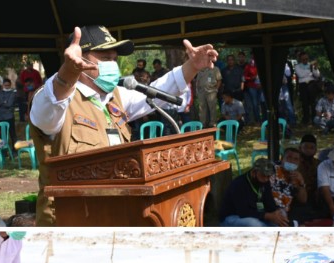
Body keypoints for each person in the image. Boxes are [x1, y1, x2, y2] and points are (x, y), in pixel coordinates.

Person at [30, 25, 218, 226]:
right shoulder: (51, 100)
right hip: (69, 222)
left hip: (115, 214)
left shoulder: (116, 97)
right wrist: (68, 73)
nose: (112, 64)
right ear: (80, 58)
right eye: (105, 58)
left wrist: (192, 66)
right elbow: (54, 101)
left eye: (114, 58)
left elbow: (158, 90)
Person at [219, 158, 288, 227]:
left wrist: (276, 213)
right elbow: (243, 212)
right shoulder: (239, 184)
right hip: (233, 217)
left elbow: (269, 203)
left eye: (268, 176)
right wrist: (267, 216)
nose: (266, 179)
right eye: (263, 176)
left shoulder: (265, 182)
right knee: (254, 224)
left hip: (256, 214)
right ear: (254, 172)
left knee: (282, 214)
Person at [270, 147, 307, 224]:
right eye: (289, 157)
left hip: (285, 213)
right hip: (270, 211)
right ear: (282, 159)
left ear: (299, 163)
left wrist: (301, 183)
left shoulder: (296, 175)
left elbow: (303, 200)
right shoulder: (273, 170)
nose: (292, 161)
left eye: (296, 159)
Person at [295, 52, 321, 125]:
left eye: (307, 59)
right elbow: (301, 75)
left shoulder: (311, 65)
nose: (305, 60)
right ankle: (305, 120)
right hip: (303, 85)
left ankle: (314, 120)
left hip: (311, 84)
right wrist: (310, 71)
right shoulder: (297, 66)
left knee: (313, 103)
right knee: (305, 103)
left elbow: (317, 75)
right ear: (300, 59)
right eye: (303, 59)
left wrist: (315, 68)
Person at [0, 78, 17, 146]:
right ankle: (3, 149)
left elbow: (9, 104)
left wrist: (1, 103)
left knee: (12, 134)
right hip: (0, 117)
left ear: (10, 85)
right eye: (5, 85)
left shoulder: (12, 93)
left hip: (9, 116)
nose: (7, 87)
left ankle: (14, 149)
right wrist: (4, 102)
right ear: (3, 85)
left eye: (8, 85)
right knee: (1, 134)